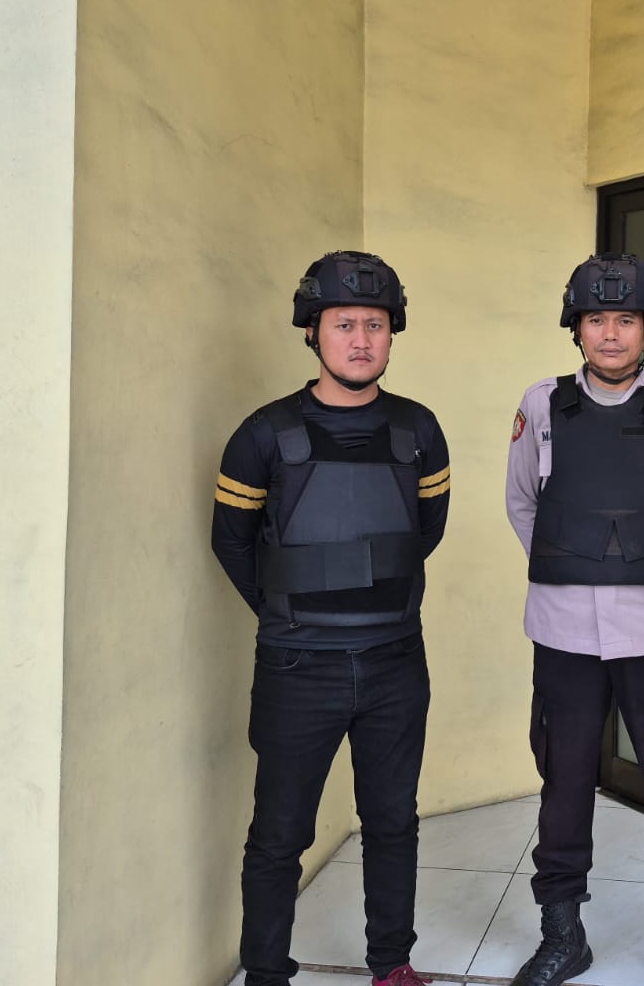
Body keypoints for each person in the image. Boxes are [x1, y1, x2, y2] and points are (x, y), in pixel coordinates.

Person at [212, 251, 450, 986]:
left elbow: (426, 532)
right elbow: (231, 543)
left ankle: (391, 966)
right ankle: (266, 974)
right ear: (312, 331)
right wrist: (289, 612)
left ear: (392, 332)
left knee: (393, 822)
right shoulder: (264, 433)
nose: (361, 340)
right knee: (279, 834)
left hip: (394, 661)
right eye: (344, 324)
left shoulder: (418, 429)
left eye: (375, 325)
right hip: (297, 668)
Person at [504, 253, 644, 986]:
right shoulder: (541, 404)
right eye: (595, 319)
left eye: (624, 319)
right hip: (562, 632)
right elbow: (522, 503)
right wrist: (569, 565)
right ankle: (562, 936)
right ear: (576, 328)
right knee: (563, 783)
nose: (609, 333)